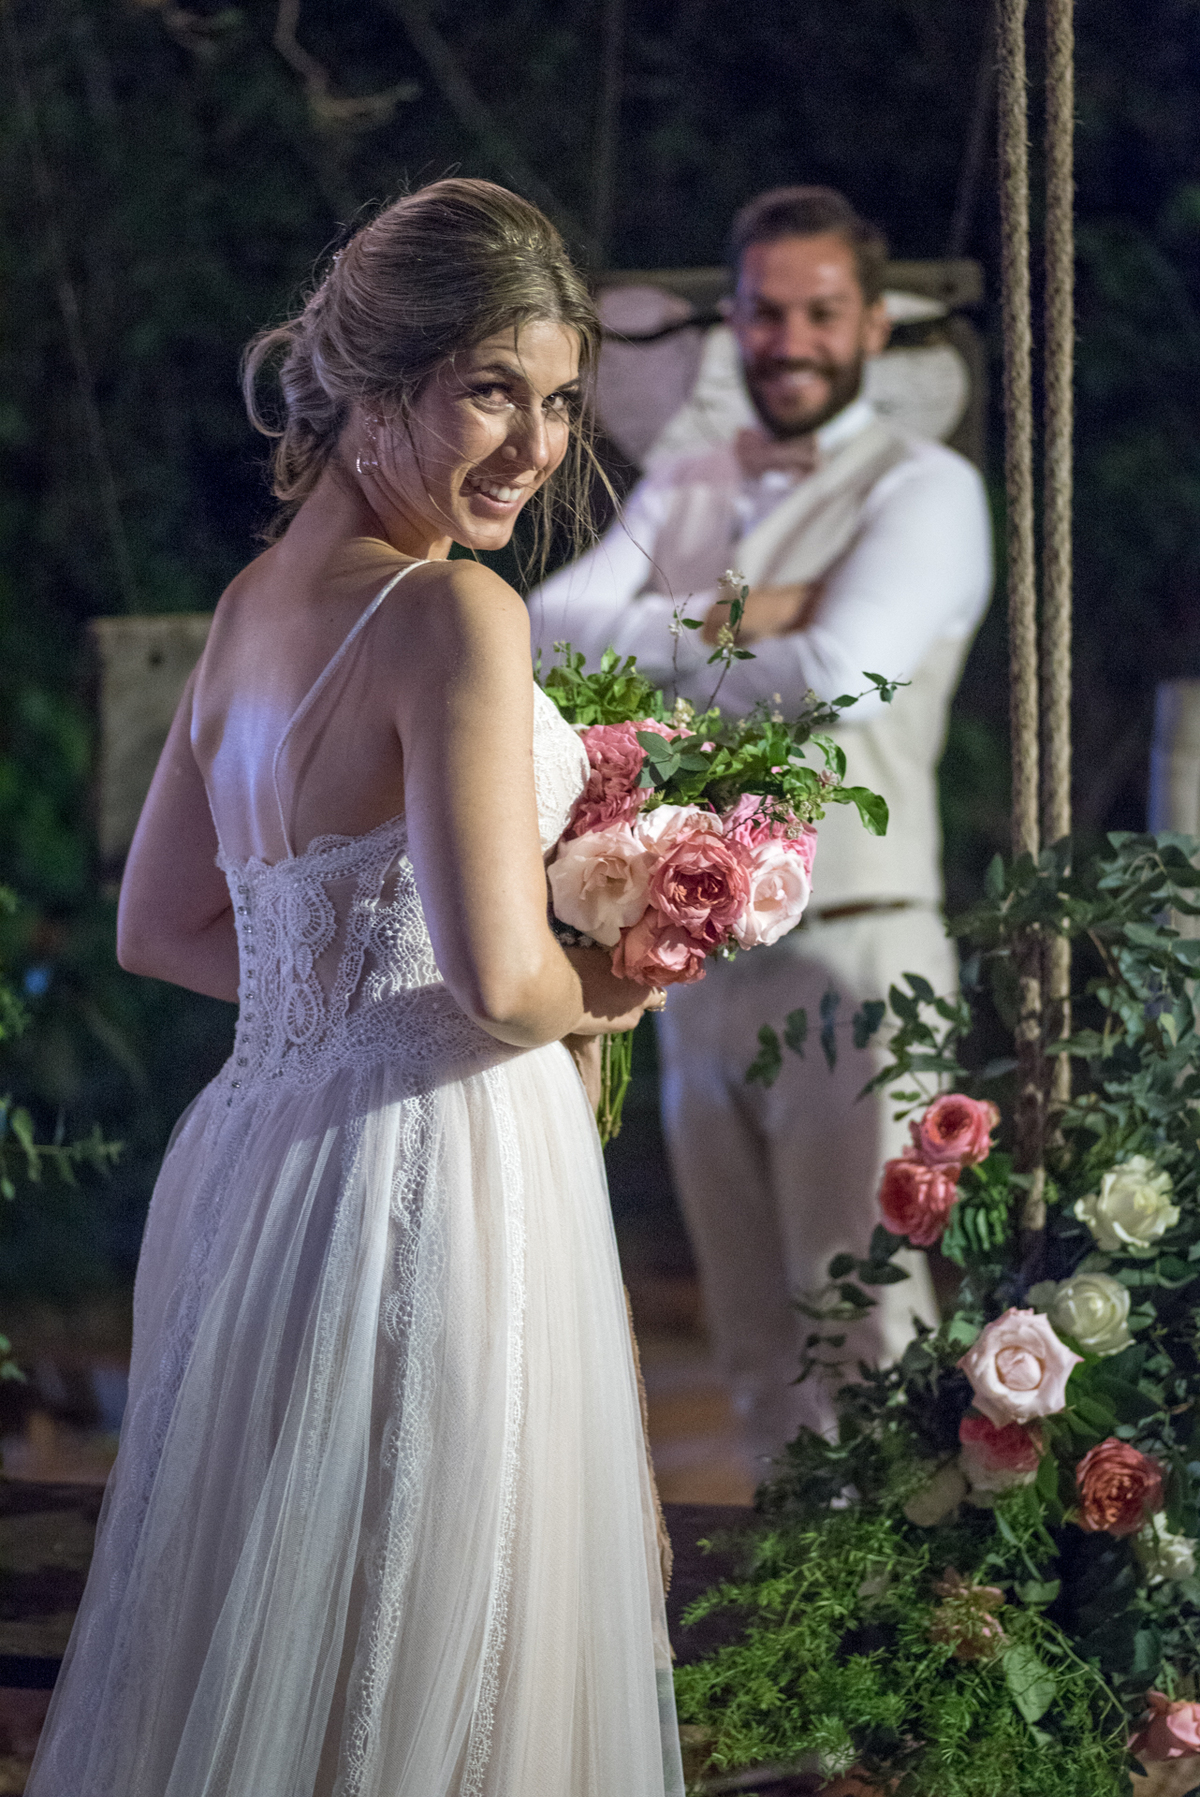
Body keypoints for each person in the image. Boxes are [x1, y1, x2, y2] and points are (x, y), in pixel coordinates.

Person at [27, 179, 684, 1797]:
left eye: (556, 400)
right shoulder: (455, 613)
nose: (534, 447)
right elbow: (498, 975)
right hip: (431, 1173)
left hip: (261, 1156)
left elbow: (162, 924)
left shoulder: (253, 607)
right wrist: (616, 981)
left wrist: (330, 999)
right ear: (375, 383)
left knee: (273, 1632)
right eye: (490, 390)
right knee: (433, 1623)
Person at [529, 186, 992, 1464]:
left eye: (819, 313)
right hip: (694, 969)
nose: (789, 339)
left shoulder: (927, 489)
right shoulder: (689, 480)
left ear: (873, 324)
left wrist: (739, 633)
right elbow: (539, 630)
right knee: (749, 1344)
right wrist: (752, 610)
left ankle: (893, 1646)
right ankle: (794, 1652)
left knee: (868, 1331)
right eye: (766, 311)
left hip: (861, 957)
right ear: (733, 318)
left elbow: (844, 670)